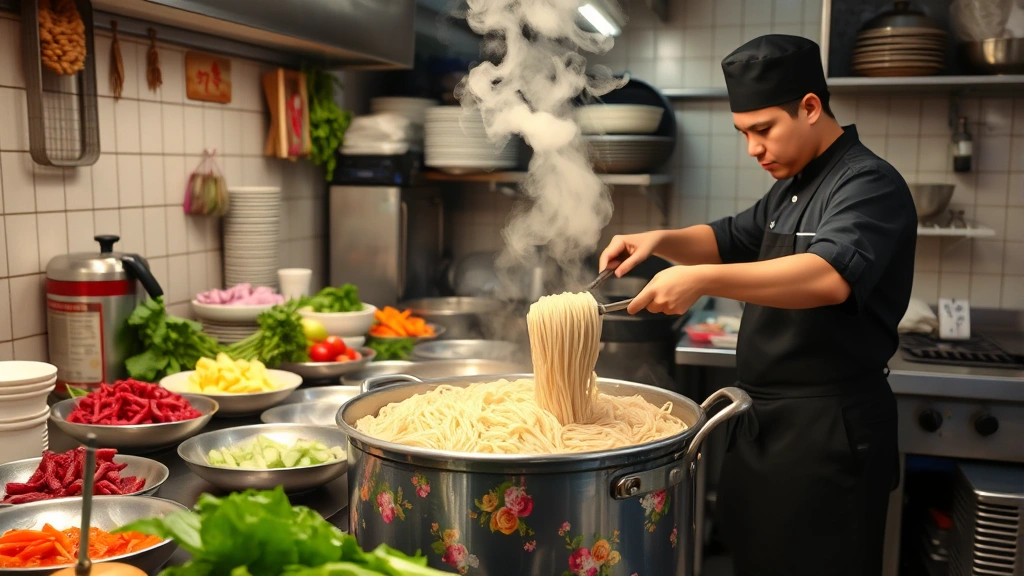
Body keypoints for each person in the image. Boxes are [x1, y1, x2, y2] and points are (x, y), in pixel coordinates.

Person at [598, 35, 917, 576]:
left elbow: (828, 275)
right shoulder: (791, 186)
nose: (753, 148)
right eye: (743, 133)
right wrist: (656, 238)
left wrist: (699, 280)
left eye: (763, 129)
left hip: (826, 437)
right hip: (765, 427)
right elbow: (726, 238)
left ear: (811, 107)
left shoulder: (867, 183)